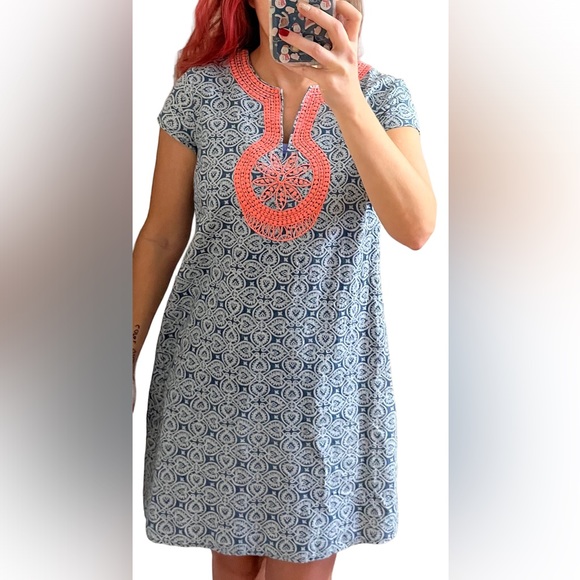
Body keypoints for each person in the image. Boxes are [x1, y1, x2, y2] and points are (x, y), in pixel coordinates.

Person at [133, 0, 436, 578]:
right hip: (212, 383)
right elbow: (161, 236)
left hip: (323, 390)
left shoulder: (381, 98)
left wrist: (344, 93)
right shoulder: (200, 94)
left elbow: (416, 227)